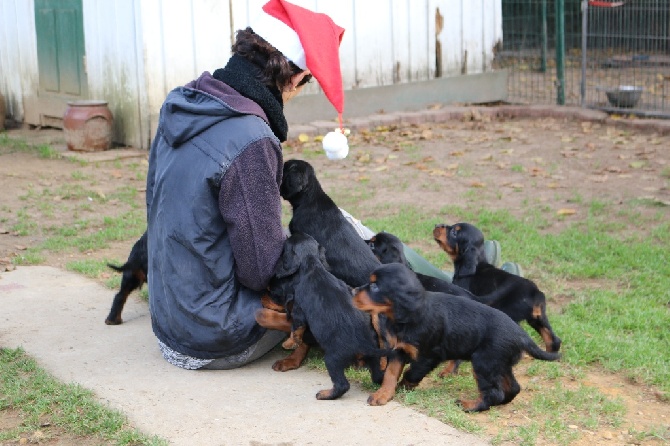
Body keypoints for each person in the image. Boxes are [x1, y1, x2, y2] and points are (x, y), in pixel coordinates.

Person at [145, 0, 347, 370]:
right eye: (306, 82)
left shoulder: (180, 106)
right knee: (335, 243)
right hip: (217, 334)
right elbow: (261, 269)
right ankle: (440, 301)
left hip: (170, 316)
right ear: (293, 77)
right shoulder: (251, 139)